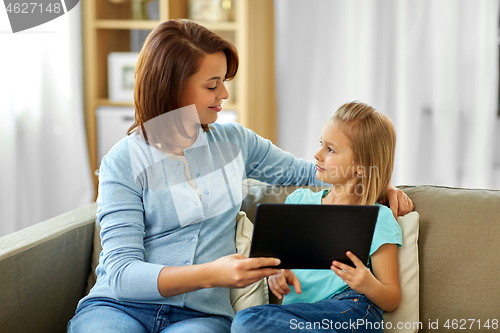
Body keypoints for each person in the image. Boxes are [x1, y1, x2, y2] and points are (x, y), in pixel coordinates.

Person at [67, 20, 412, 333]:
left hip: (199, 317)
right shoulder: (123, 162)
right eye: (212, 85)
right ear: (173, 89)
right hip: (119, 307)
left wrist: (376, 183)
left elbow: (314, 172)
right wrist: (212, 274)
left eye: (224, 83)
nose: (225, 95)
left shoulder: (235, 143)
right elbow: (122, 273)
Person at [231, 102, 403, 333]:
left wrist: (368, 284)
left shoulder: (377, 217)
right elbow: (281, 265)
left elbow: (392, 297)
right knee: (246, 321)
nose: (317, 154)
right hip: (300, 315)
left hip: (352, 308)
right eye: (321, 144)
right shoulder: (298, 202)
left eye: (330, 150)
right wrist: (277, 276)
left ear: (361, 166)